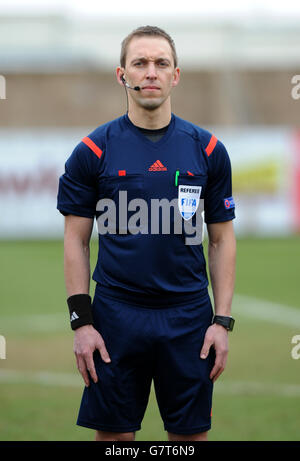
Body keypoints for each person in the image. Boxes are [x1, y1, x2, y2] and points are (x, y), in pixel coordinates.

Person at [57, 25, 236, 442]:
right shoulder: (92, 151)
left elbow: (222, 239)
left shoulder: (208, 150)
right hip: (116, 316)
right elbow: (75, 240)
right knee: (114, 440)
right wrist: (82, 323)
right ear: (123, 75)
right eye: (140, 63)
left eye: (161, 63)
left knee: (190, 439)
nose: (150, 72)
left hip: (189, 317)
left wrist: (221, 322)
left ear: (176, 75)